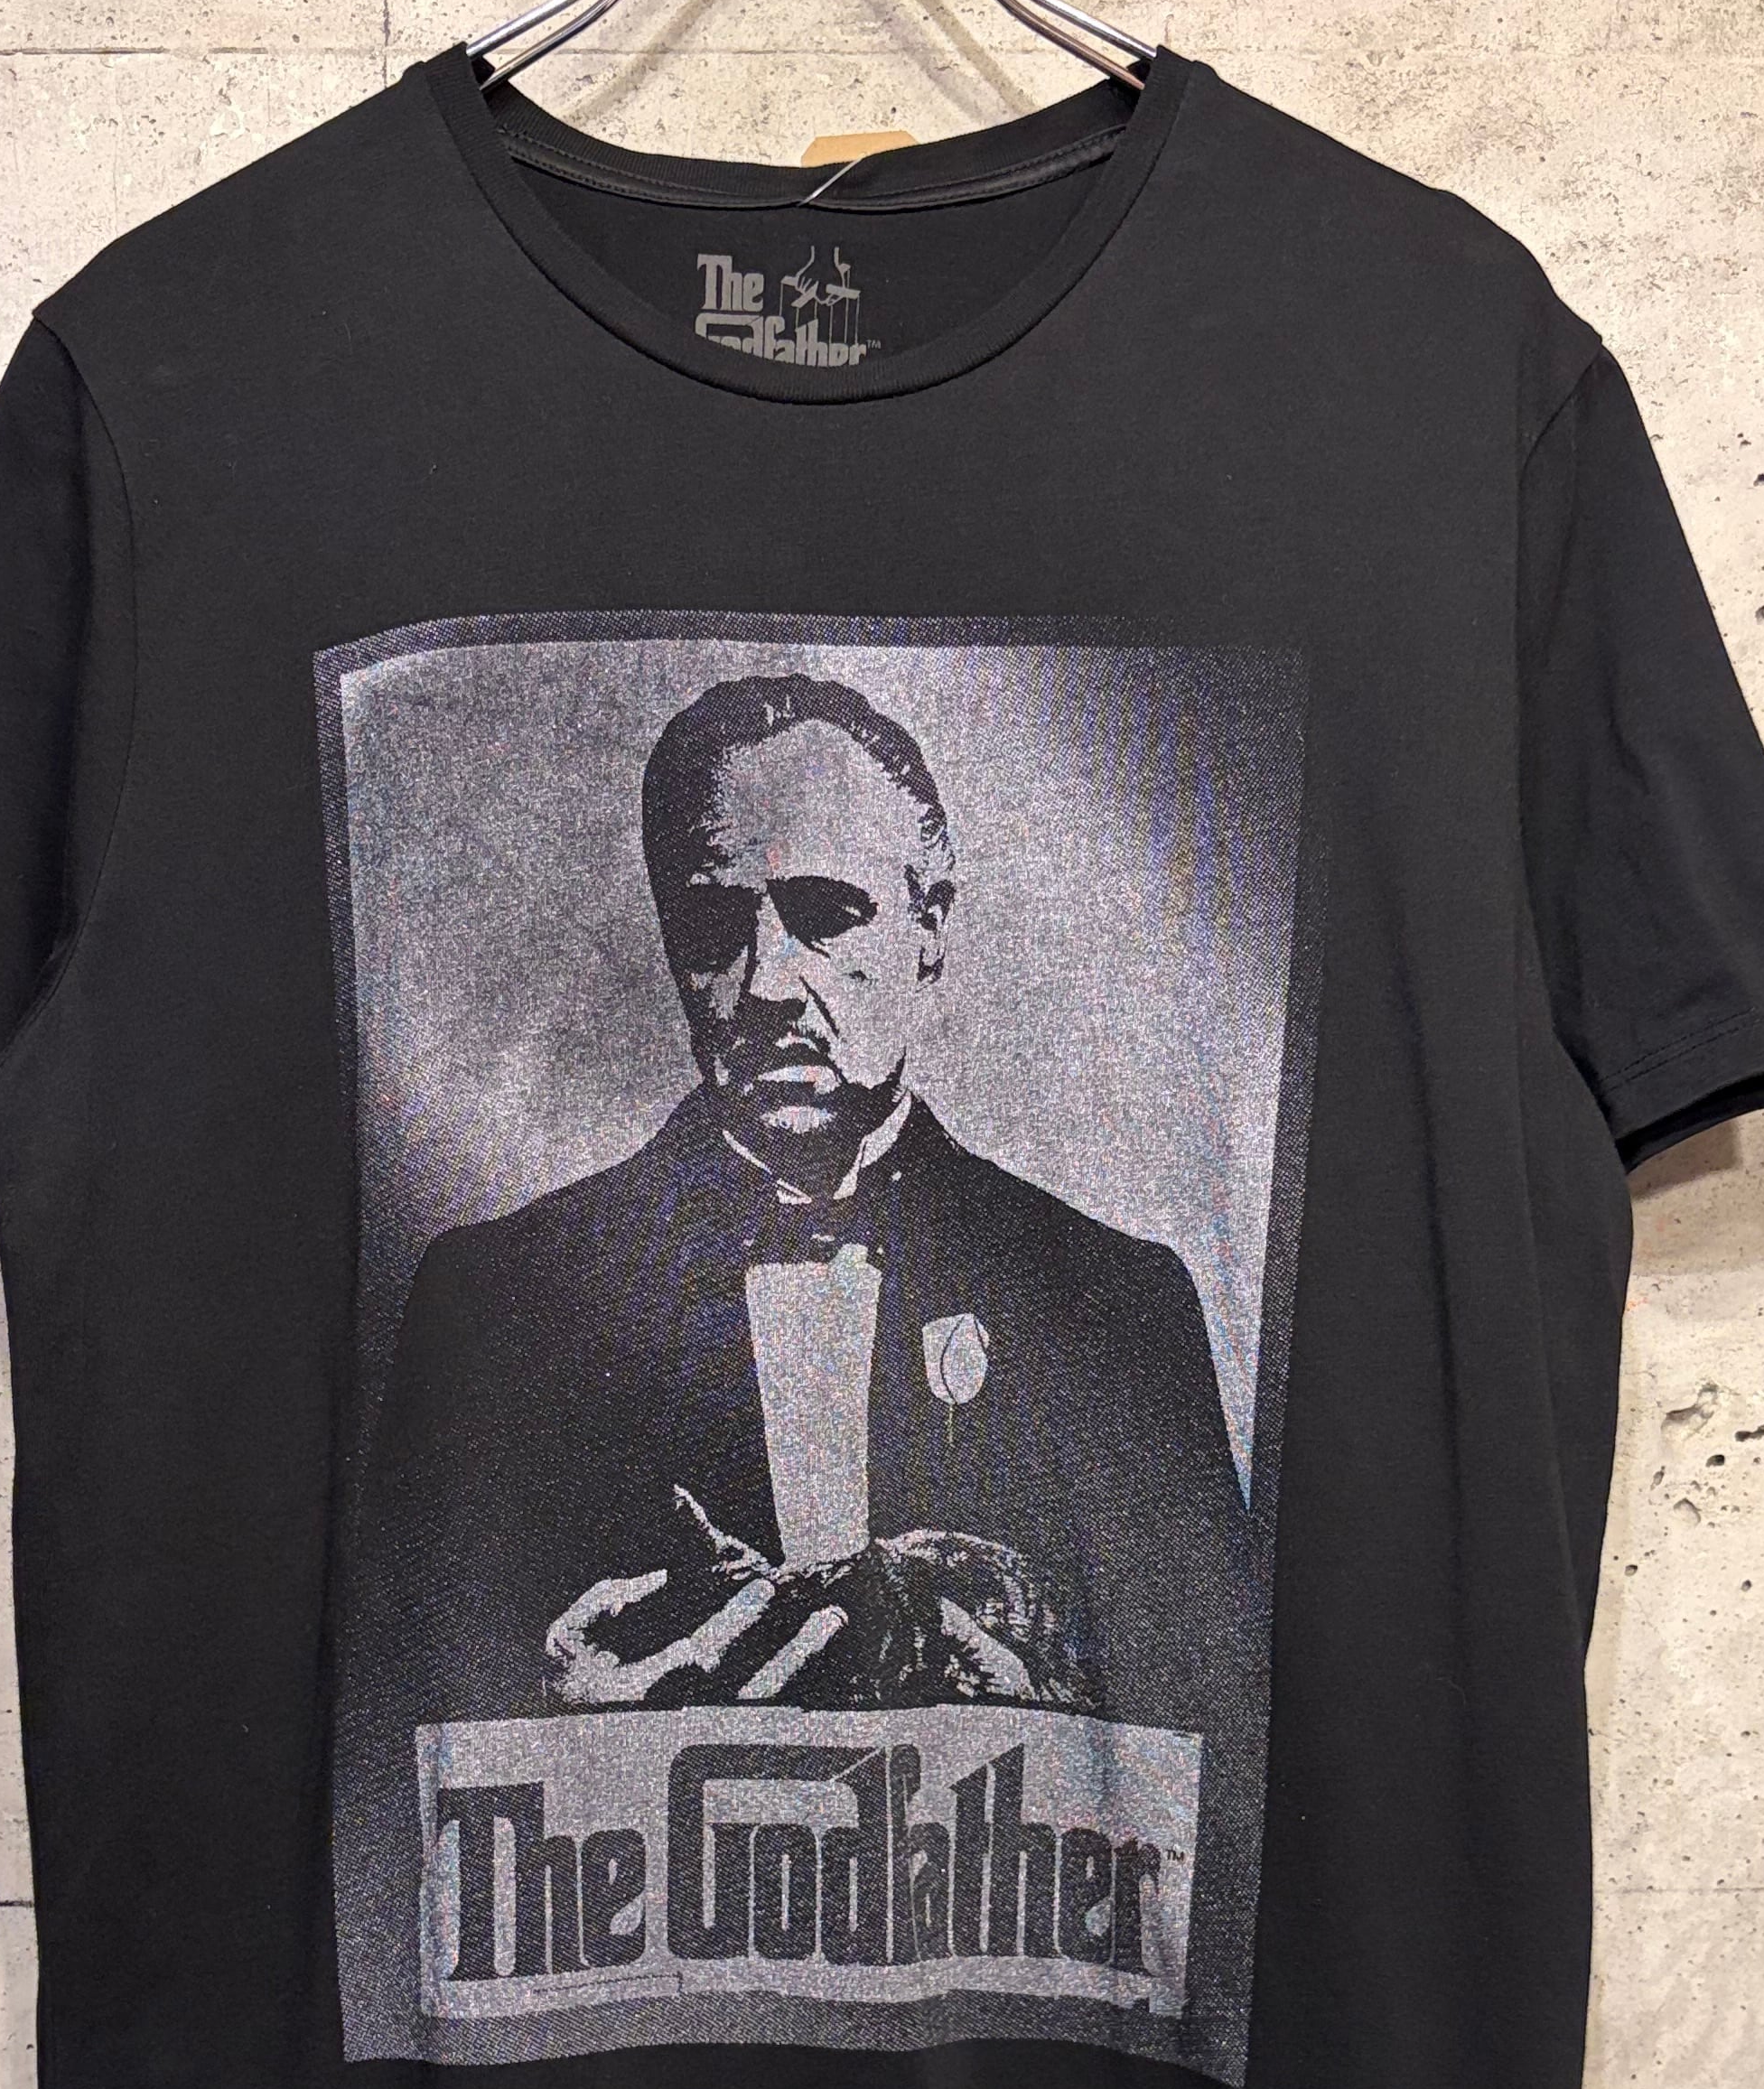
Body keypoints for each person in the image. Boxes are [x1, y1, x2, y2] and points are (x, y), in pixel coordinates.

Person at [350, 673, 1258, 1736]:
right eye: (715, 922)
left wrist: (1047, 1705)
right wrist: (544, 1718)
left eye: (827, 914)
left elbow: (1213, 1753)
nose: (770, 983)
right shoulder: (492, 1309)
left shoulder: (1118, 1304)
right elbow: (388, 1744)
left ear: (929, 929)